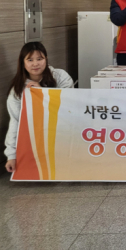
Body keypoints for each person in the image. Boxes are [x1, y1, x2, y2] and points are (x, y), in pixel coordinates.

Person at [5, 42, 74, 173]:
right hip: (35, 139)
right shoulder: (17, 89)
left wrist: (42, 93)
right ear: (23, 63)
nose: (35, 64)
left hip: (63, 134)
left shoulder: (60, 76)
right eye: (30, 60)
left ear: (46, 59)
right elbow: (16, 121)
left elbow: (70, 106)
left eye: (39, 59)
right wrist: (11, 156)